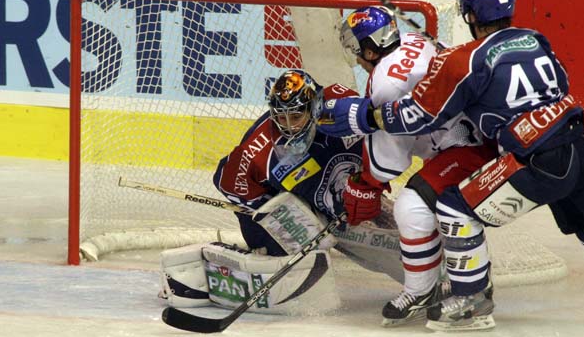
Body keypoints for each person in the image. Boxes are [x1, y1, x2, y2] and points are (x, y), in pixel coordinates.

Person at [317, 0, 584, 331]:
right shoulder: (534, 40)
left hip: (538, 159)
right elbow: (559, 84)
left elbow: (418, 115)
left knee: (455, 208)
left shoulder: (466, 60)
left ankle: (471, 300)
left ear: (470, 15)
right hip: (581, 146)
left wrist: (363, 114)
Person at [159, 69, 403, 312]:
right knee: (303, 250)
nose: (289, 127)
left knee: (398, 244)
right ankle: (253, 259)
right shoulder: (258, 150)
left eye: (295, 116)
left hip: (354, 200)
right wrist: (289, 218)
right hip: (303, 211)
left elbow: (384, 141)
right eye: (281, 117)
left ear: (315, 107)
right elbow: (227, 182)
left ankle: (421, 285)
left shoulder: (343, 108)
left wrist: (370, 184)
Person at [338, 6, 497, 326]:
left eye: (357, 51)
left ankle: (431, 291)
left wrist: (367, 183)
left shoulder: (384, 82)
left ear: (369, 50)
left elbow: (389, 162)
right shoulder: (415, 39)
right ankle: (469, 280)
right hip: (485, 134)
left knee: (412, 206)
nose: (357, 60)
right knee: (437, 208)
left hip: (469, 148)